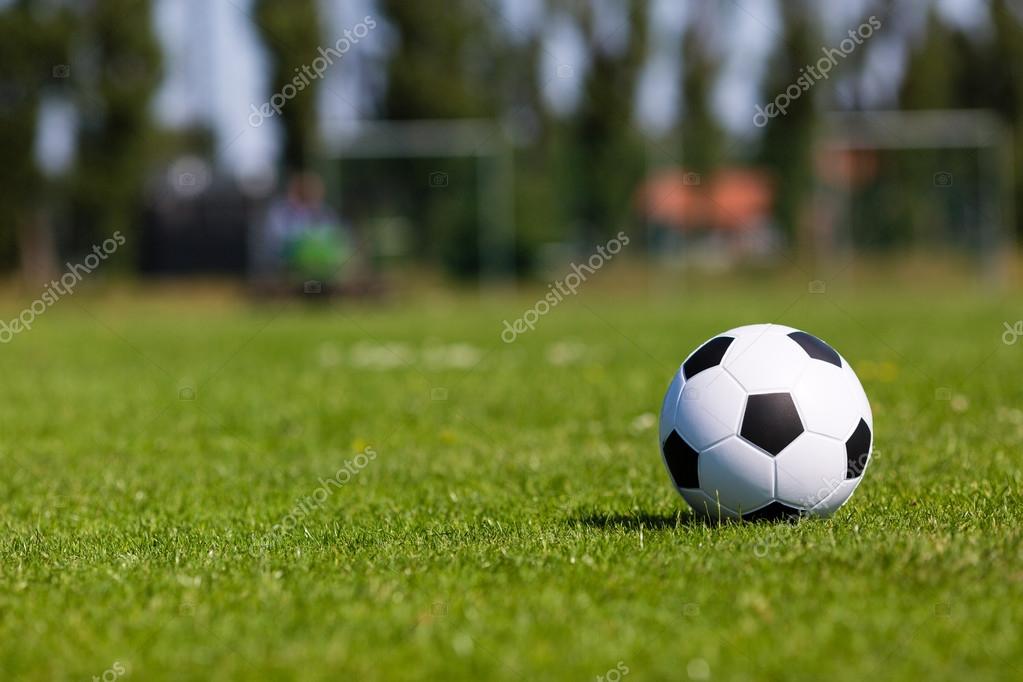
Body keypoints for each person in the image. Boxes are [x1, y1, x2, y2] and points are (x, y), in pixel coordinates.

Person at [250, 171, 351, 291]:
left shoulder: (325, 212)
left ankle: (320, 285)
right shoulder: (282, 211)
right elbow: (275, 239)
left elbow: (337, 236)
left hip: (320, 261)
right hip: (286, 258)